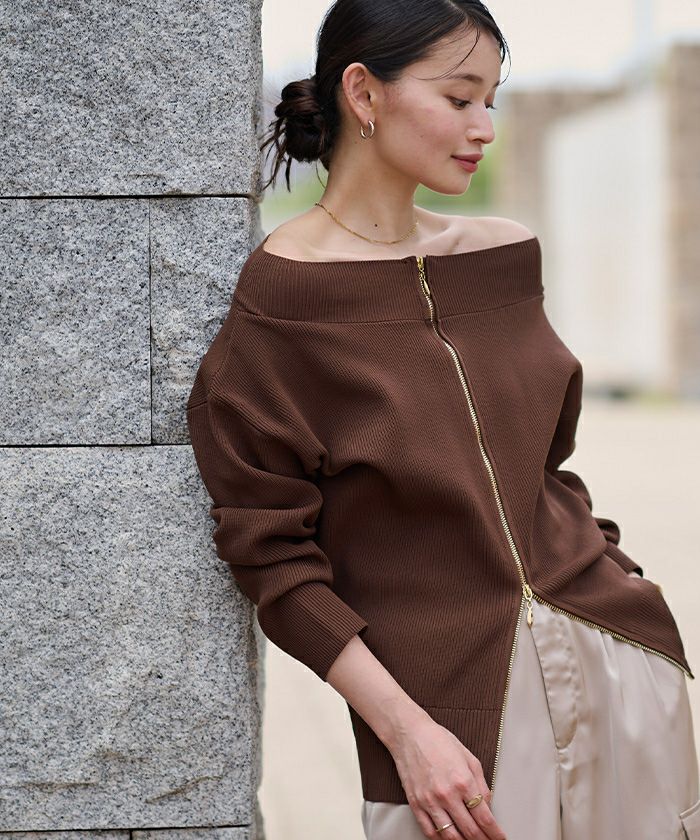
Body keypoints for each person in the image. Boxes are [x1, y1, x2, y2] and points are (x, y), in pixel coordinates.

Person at [186, 1, 700, 838]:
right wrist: (407, 733)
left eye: (492, 100)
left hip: (620, 673)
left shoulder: (501, 257)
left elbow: (544, 470)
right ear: (364, 92)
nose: (485, 127)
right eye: (459, 99)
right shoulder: (284, 301)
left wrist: (627, 588)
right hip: (452, 742)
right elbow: (272, 558)